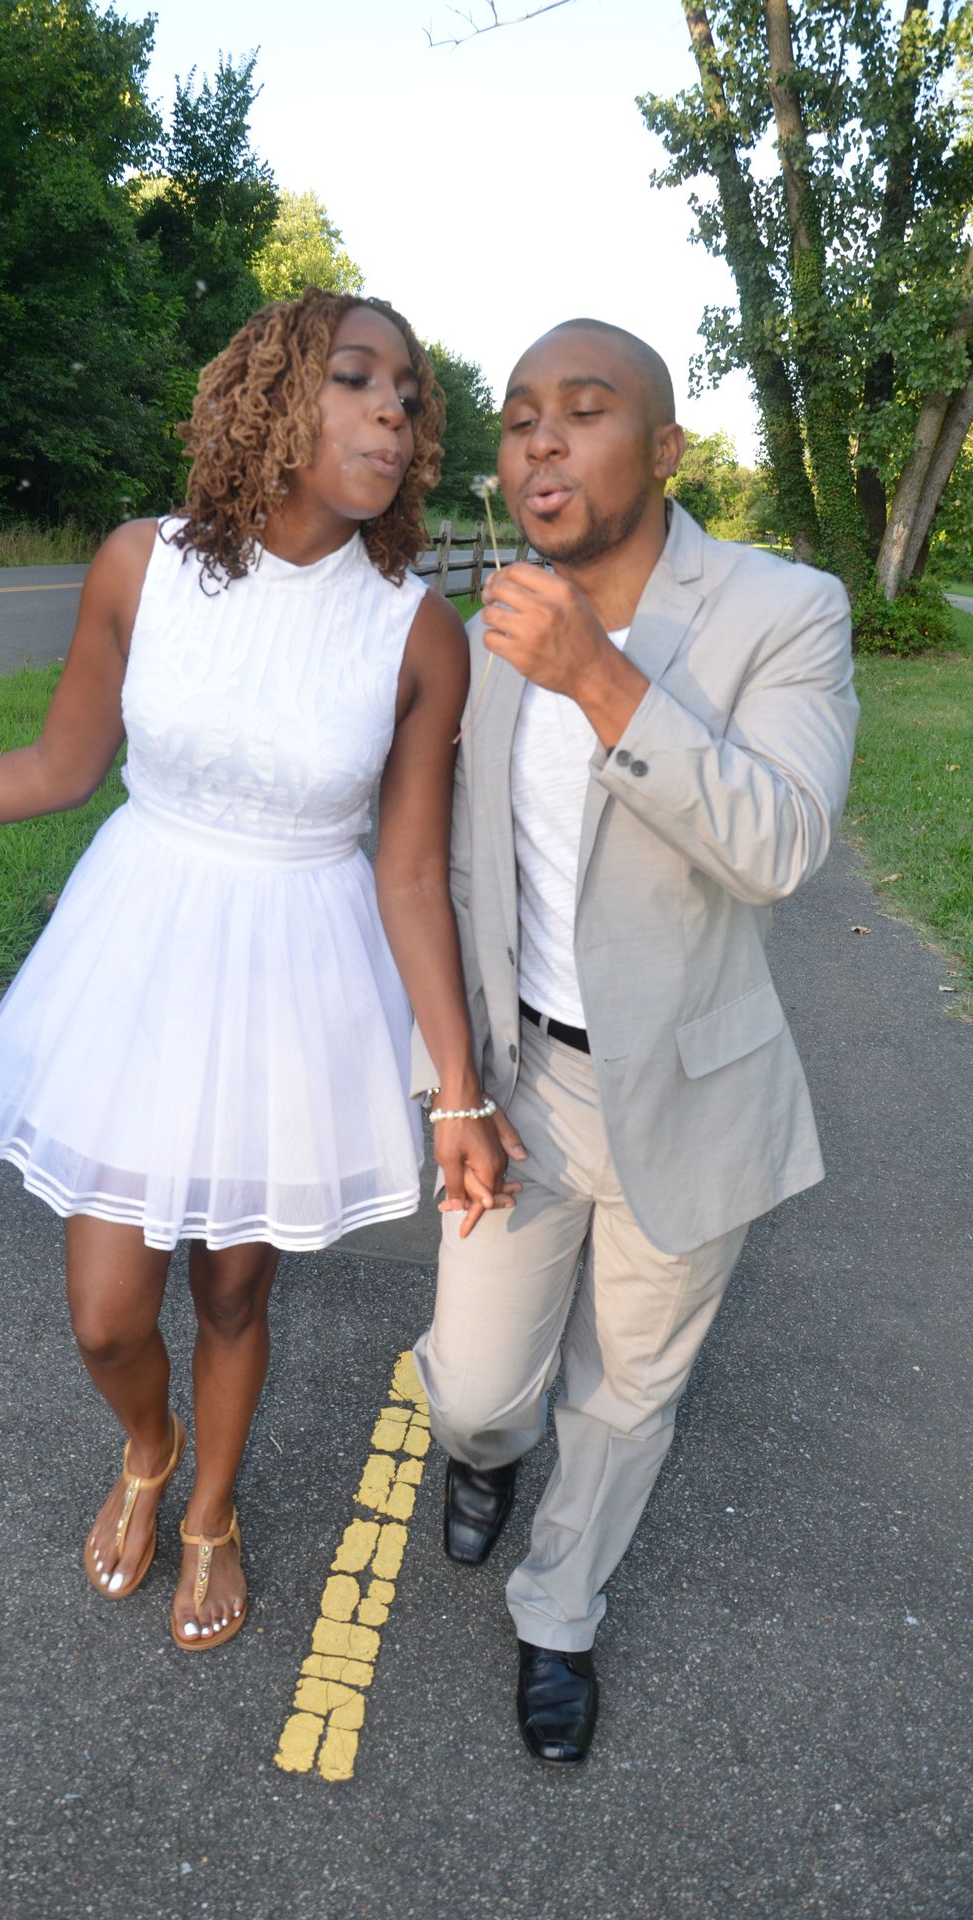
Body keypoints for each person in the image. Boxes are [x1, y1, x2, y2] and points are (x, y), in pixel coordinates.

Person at [0, 288, 509, 1653]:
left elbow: (410, 875)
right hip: (139, 955)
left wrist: (458, 1090)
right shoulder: (144, 566)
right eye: (360, 379)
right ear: (272, 397)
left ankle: (209, 1510)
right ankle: (148, 1441)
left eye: (412, 396)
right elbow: (57, 767)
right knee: (105, 1314)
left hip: (297, 971)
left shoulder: (416, 636)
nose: (395, 409)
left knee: (238, 1289)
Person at [411, 318, 857, 1763]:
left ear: (661, 451)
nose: (540, 441)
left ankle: (561, 1616)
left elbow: (782, 845)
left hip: (690, 1088)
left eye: (583, 412)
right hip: (521, 1079)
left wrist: (602, 676)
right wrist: (454, 1087)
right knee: (479, 1388)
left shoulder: (784, 609)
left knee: (627, 1394)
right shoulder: (492, 623)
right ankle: (480, 1458)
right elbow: (467, 870)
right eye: (521, 415)